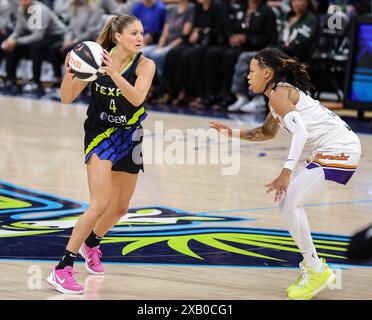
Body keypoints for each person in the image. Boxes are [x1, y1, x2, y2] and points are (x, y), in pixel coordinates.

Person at [209, 48, 361, 300]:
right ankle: (314, 267)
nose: (248, 76)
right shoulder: (276, 97)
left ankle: (316, 270)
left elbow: (300, 133)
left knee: (290, 201)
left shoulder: (279, 93)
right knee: (287, 203)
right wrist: (230, 132)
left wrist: (285, 172)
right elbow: (266, 132)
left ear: (266, 73)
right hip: (336, 148)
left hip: (340, 149)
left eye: (251, 71)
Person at [46, 14, 156, 295]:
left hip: (130, 135)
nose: (140, 38)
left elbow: (136, 98)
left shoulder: (146, 64)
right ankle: (62, 268)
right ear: (117, 36)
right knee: (100, 203)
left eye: (141, 32)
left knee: (119, 208)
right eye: (133, 33)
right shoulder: (94, 58)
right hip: (101, 132)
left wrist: (114, 73)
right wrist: (72, 70)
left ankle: (92, 243)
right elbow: (66, 97)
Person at [1, 0, 66, 94]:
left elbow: (38, 36)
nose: (22, 1)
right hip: (38, 37)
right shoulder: (21, 10)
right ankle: (10, 79)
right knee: (13, 47)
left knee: (35, 46)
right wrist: (10, 41)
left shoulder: (40, 10)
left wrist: (16, 42)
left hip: (55, 37)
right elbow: (18, 31)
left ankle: (36, 82)